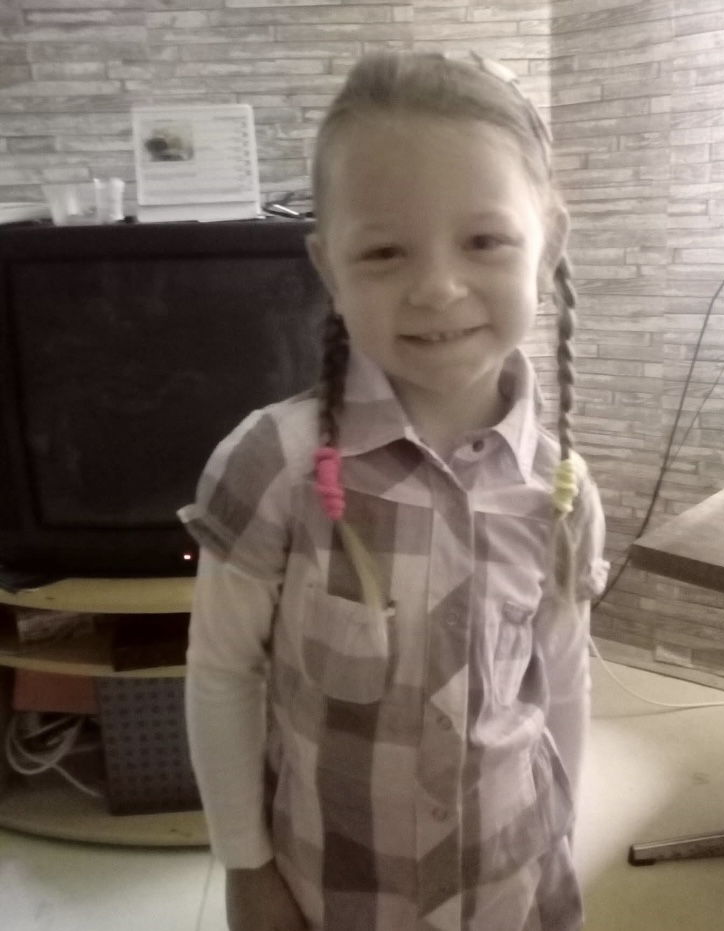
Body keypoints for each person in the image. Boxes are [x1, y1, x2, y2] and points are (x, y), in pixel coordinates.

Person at [179, 50, 608, 931]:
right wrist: (246, 867)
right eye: (382, 251)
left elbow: (561, 677)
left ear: (549, 243)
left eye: (484, 240)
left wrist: (564, 836)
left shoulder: (562, 490)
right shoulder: (273, 465)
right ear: (328, 268)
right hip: (336, 894)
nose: (438, 288)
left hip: (509, 886)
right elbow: (223, 675)